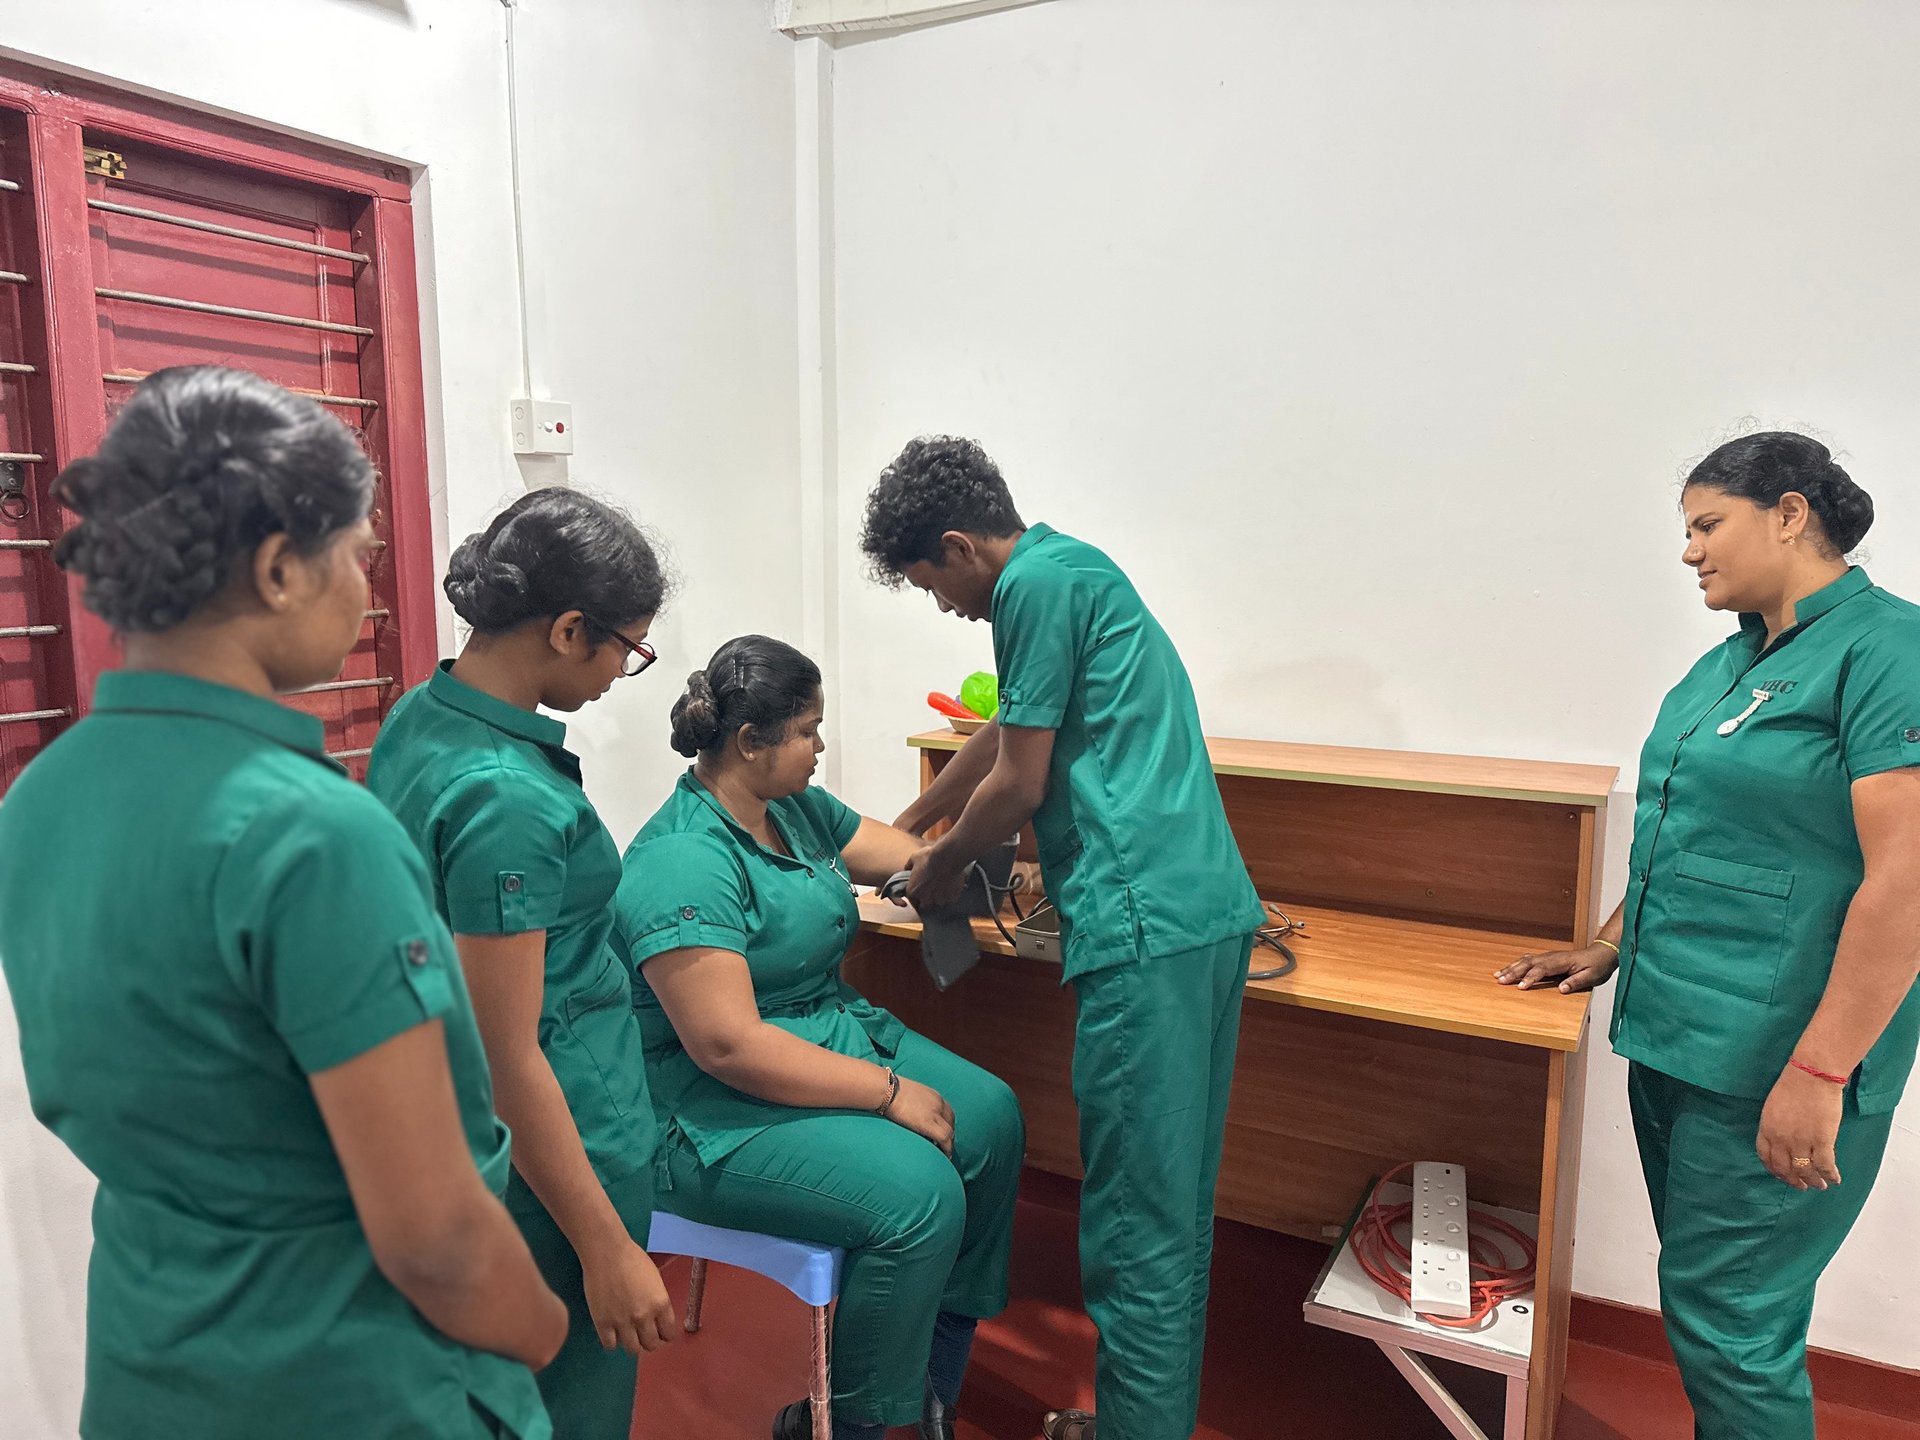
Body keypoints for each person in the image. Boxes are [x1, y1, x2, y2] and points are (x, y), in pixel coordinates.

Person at [0, 367, 564, 1439]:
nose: (367, 590)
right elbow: (434, 1236)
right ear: (275, 571)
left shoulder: (42, 798)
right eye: (355, 555)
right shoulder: (312, 837)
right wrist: (538, 1326)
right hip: (349, 1383)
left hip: (154, 1368)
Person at [1498, 432, 1920, 1440]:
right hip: (1678, 1037)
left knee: (1730, 1323)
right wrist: (1610, 943)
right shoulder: (1730, 663)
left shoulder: (1886, 651)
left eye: (1706, 525)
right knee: (1720, 1305)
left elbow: (1906, 882)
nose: (1689, 552)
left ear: (1789, 513)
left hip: (1776, 1057)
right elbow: (1686, 833)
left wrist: (1820, 1078)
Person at [859, 437, 1267, 1440]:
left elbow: (1021, 787)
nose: (944, 607)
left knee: (1137, 1226)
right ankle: (1139, 1422)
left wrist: (940, 872)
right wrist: (910, 829)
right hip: (1204, 915)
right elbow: (1001, 739)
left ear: (959, 545)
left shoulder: (1029, 589)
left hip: (1139, 928)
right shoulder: (1073, 565)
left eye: (933, 585)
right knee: (1170, 1207)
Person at [613, 634, 1024, 1440]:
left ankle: (932, 1380)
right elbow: (728, 1046)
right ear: (748, 743)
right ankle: (860, 1421)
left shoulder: (791, 807)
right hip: (706, 1106)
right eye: (808, 730)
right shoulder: (682, 863)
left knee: (991, 1118)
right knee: (916, 1195)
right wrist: (890, 1092)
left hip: (824, 1028)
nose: (820, 745)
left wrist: (982, 874)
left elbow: (891, 851)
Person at [368, 488, 679, 1440]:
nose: (626, 672)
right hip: (556, 1170)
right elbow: (506, 1055)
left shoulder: (420, 717)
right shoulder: (505, 799)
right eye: (627, 649)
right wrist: (607, 1246)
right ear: (568, 628)